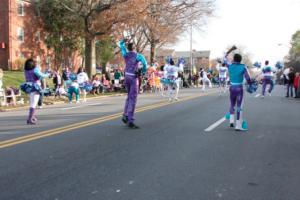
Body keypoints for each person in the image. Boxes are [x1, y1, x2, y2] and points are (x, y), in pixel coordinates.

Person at [119, 39, 147, 129]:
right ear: (135, 48)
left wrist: (124, 40)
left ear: (128, 48)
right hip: (134, 77)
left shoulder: (126, 54)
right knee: (133, 98)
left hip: (126, 76)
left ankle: (125, 114)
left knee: (129, 96)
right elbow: (145, 65)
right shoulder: (139, 56)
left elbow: (121, 44)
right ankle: (130, 120)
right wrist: (142, 72)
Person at [225, 54, 252, 131]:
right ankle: (238, 126)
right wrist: (250, 83)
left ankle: (231, 122)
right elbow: (248, 78)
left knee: (232, 104)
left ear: (234, 59)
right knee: (239, 106)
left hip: (232, 88)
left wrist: (226, 54)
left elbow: (224, 60)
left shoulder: (230, 66)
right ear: (240, 60)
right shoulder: (243, 67)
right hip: (239, 88)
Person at [22, 58, 50, 125]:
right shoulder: (35, 69)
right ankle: (30, 118)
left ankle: (31, 117)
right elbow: (42, 75)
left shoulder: (25, 70)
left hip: (28, 87)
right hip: (35, 87)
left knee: (32, 103)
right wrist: (48, 74)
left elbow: (36, 77)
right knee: (34, 104)